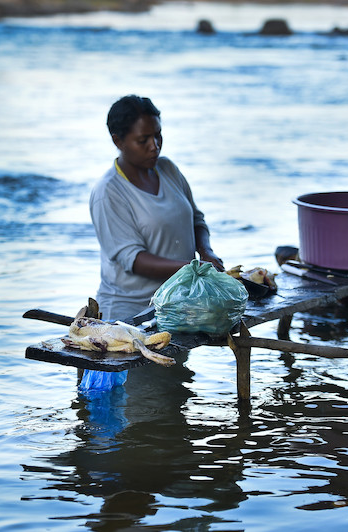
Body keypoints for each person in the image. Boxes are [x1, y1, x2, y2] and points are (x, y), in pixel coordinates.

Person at [82, 95, 225, 391]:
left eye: (158, 135)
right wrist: (192, 270)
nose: (154, 146)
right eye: (143, 139)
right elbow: (132, 259)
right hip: (129, 320)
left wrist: (207, 252)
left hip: (176, 310)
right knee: (137, 408)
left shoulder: (168, 170)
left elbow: (196, 220)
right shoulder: (108, 192)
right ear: (118, 140)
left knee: (170, 400)